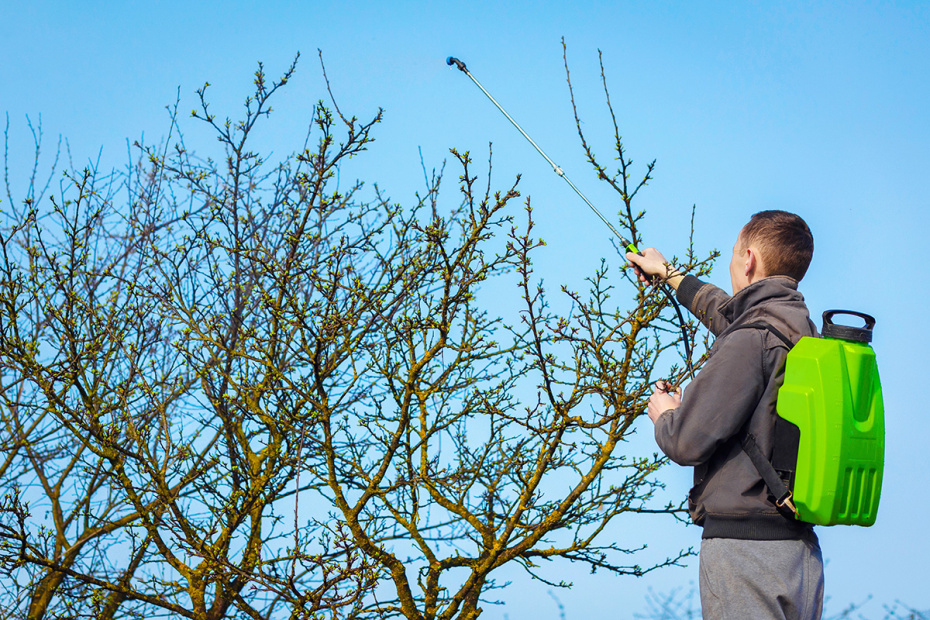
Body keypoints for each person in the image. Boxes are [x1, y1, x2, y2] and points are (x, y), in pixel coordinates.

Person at [626, 210, 824, 620]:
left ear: (748, 258)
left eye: (735, 254)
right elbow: (731, 315)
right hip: (800, 554)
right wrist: (668, 274)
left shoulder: (752, 339)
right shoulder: (801, 332)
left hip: (746, 550)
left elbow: (686, 441)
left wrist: (667, 414)